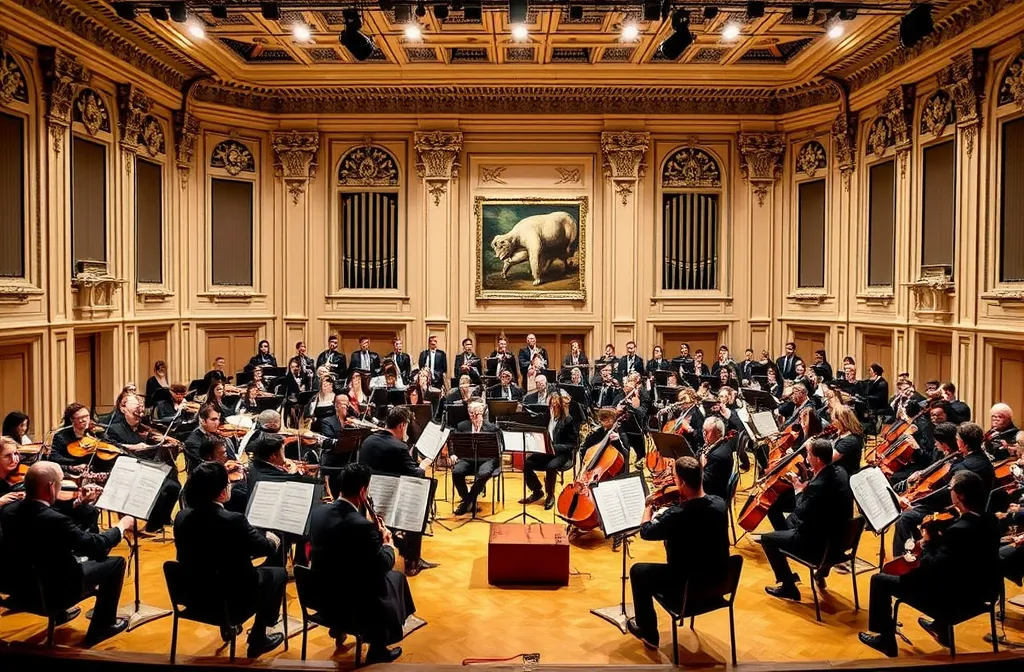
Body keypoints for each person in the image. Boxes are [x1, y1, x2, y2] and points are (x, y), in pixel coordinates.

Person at [859, 471, 1001, 657]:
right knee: (958, 573)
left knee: (879, 580)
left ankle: (886, 641)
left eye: (951, 489)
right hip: (983, 592)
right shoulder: (991, 521)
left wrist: (926, 543)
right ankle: (940, 627)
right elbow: (962, 558)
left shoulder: (958, 531)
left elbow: (933, 568)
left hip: (953, 600)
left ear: (960, 496)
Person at [0, 461, 135, 646]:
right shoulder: (55, 521)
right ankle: (102, 627)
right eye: (61, 482)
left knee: (45, 558)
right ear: (50, 486)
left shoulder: (8, 511)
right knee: (115, 563)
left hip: (20, 591)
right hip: (57, 591)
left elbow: (49, 517)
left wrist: (80, 503)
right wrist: (122, 526)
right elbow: (97, 544)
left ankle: (60, 614)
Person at [174, 461, 285, 658]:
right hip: (232, 601)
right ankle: (259, 637)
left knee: (216, 570)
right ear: (221, 492)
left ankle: (227, 627)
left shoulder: (181, 516)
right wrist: (273, 538)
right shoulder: (233, 520)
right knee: (278, 573)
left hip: (193, 596)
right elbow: (265, 548)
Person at [309, 463, 417, 663]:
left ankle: (338, 627)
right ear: (362, 490)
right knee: (396, 578)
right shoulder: (362, 527)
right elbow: (380, 566)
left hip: (319, 594)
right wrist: (387, 545)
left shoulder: (318, 513)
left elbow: (343, 549)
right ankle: (378, 647)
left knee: (347, 572)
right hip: (350, 601)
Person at [625, 456, 729, 650]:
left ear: (681, 482)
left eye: (674, 479)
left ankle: (648, 633)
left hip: (686, 588)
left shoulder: (678, 515)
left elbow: (646, 532)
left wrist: (648, 507)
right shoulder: (720, 504)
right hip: (718, 584)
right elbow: (696, 511)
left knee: (638, 571)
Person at [760, 438, 854, 601]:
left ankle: (788, 586)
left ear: (818, 459)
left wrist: (797, 487)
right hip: (838, 540)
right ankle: (786, 542)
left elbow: (801, 512)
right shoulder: (840, 472)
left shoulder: (818, 486)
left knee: (767, 539)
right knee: (785, 519)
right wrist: (807, 476)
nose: (806, 458)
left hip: (816, 546)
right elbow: (819, 498)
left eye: (809, 454)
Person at [891, 422, 995, 556]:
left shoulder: (962, 467)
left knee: (905, 518)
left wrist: (916, 502)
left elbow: (946, 494)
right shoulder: (984, 460)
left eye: (957, 439)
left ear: (963, 443)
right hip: (980, 509)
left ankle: (904, 558)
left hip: (957, 510)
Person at [358, 407, 436, 576]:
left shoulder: (368, 441)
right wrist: (424, 465)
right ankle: (412, 561)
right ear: (402, 425)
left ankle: (401, 547)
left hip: (368, 498)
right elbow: (415, 473)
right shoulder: (397, 446)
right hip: (389, 498)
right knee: (419, 501)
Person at [520, 393, 578, 510]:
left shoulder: (568, 420)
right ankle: (537, 491)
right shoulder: (546, 416)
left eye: (555, 406)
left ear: (560, 407)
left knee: (551, 467)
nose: (552, 409)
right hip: (546, 452)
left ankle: (550, 495)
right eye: (551, 406)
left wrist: (555, 447)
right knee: (528, 462)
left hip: (562, 454)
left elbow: (572, 444)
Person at [452, 399, 500, 515]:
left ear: (482, 413)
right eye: (472, 413)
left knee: (483, 474)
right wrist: (452, 454)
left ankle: (467, 502)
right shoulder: (462, 426)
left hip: (487, 459)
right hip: (467, 459)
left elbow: (499, 449)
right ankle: (468, 498)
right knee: (456, 472)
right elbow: (453, 442)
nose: (474, 416)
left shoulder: (492, 428)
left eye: (477, 413)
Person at [184, 404, 238, 474]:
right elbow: (200, 467)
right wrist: (224, 466)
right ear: (202, 421)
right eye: (213, 419)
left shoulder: (220, 436)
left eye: (218, 419)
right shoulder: (192, 442)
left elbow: (232, 457)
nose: (217, 423)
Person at [700, 416, 735, 501]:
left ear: (719, 433)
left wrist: (702, 466)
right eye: (703, 430)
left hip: (712, 498)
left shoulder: (717, 456)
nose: (704, 434)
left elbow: (705, 484)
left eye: (707, 431)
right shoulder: (718, 444)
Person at [830, 405, 865, 477]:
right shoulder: (840, 433)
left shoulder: (850, 440)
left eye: (834, 420)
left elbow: (829, 459)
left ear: (842, 421)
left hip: (845, 477)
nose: (832, 423)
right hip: (837, 472)